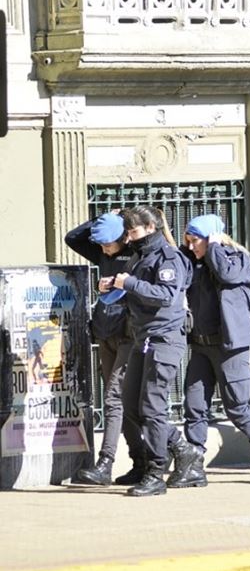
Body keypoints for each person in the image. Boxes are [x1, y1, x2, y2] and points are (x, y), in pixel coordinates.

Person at [168, 214, 250, 488]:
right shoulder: (193, 263)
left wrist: (214, 247)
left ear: (211, 238)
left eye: (195, 239)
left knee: (237, 407)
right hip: (201, 345)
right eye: (188, 240)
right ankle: (193, 465)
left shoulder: (237, 259)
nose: (191, 245)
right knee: (195, 406)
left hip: (229, 346)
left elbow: (226, 275)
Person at [115, 205, 201, 497]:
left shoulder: (168, 257)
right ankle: (182, 450)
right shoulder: (141, 257)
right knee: (130, 403)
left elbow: (165, 296)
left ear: (151, 228)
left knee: (152, 407)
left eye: (133, 231)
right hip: (143, 337)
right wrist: (117, 286)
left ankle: (155, 473)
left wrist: (130, 283)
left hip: (164, 337)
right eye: (127, 232)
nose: (129, 238)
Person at [66, 213, 144, 486]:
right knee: (120, 403)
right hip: (105, 332)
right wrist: (102, 218)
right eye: (100, 244)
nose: (103, 249)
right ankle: (140, 461)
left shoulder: (136, 253)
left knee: (113, 398)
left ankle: (106, 463)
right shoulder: (103, 254)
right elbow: (72, 238)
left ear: (122, 237)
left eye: (107, 243)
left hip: (128, 335)